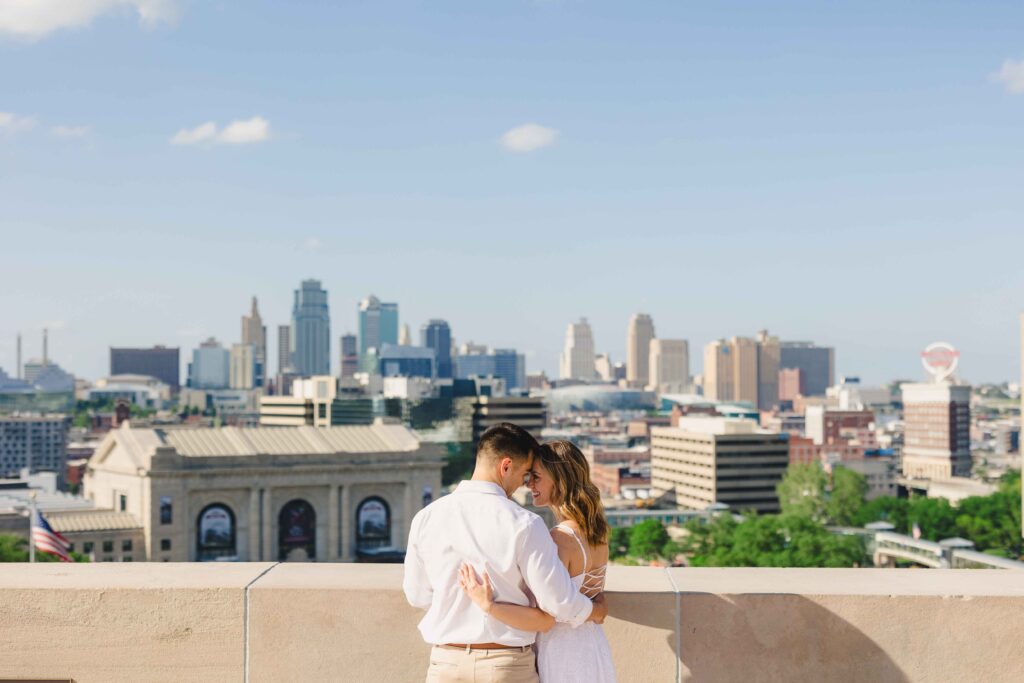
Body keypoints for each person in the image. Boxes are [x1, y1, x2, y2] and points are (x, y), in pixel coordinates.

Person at [403, 424, 608, 683]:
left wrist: (464, 609)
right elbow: (557, 604)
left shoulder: (425, 518)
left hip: (446, 663)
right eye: (524, 475)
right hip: (505, 666)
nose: (524, 486)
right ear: (506, 466)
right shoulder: (525, 523)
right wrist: (596, 611)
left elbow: (417, 596)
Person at [458, 440, 616, 682]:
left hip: (561, 649)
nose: (529, 484)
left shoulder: (559, 538)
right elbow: (591, 599)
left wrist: (490, 605)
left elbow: (550, 609)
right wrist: (596, 611)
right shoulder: (597, 534)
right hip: (593, 644)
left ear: (560, 480)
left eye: (536, 477)